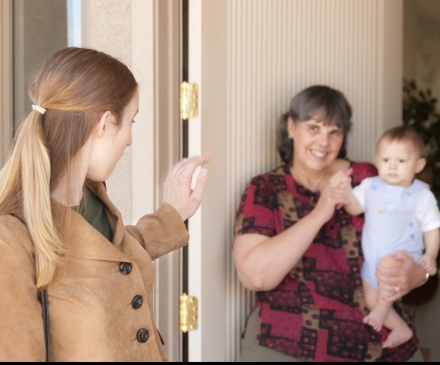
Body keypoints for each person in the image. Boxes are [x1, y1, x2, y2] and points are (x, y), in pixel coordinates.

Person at [0, 47, 209, 361]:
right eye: (131, 122)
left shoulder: (92, 199)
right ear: (104, 123)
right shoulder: (11, 237)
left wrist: (173, 213)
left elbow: (114, 256)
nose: (129, 139)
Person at [233, 85, 428, 362]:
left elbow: (420, 238)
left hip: (379, 342)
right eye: (314, 128)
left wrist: (420, 274)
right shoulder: (265, 189)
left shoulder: (372, 179)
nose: (324, 142)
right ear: (291, 127)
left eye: (334, 131)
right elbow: (256, 276)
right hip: (287, 342)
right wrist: (320, 212)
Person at [330, 126, 440, 349]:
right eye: (386, 159)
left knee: (386, 281)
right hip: (372, 260)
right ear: (377, 161)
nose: (392, 166)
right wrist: (345, 193)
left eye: (401, 161)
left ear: (418, 165)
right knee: (371, 299)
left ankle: (382, 310)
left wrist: (431, 255)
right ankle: (401, 328)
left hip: (402, 256)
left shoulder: (421, 195)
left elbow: (432, 227)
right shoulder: (370, 186)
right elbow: (355, 207)